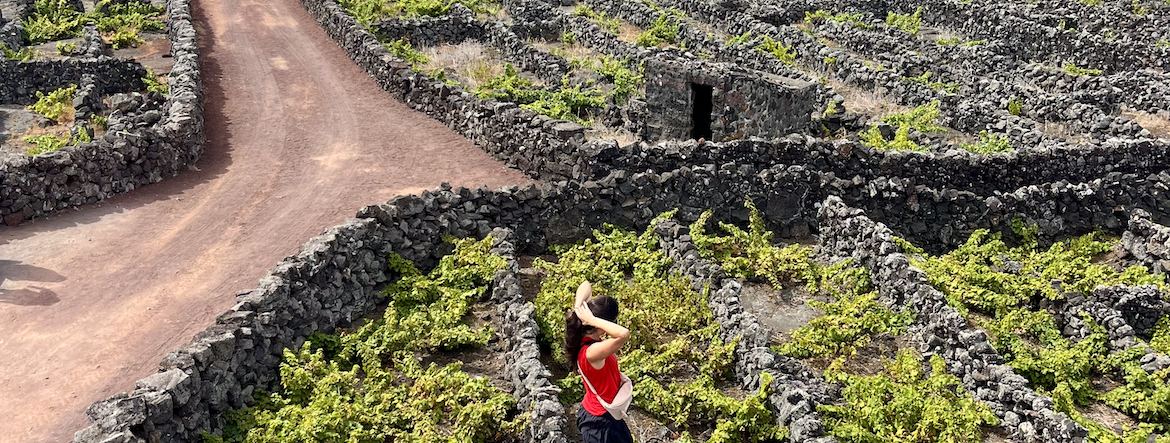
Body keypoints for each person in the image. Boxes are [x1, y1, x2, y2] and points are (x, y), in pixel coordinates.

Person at [565, 280, 634, 443]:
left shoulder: (588, 340)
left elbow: (585, 284)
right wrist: (593, 319)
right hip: (599, 422)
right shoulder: (591, 352)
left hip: (604, 414)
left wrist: (579, 310)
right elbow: (623, 334)